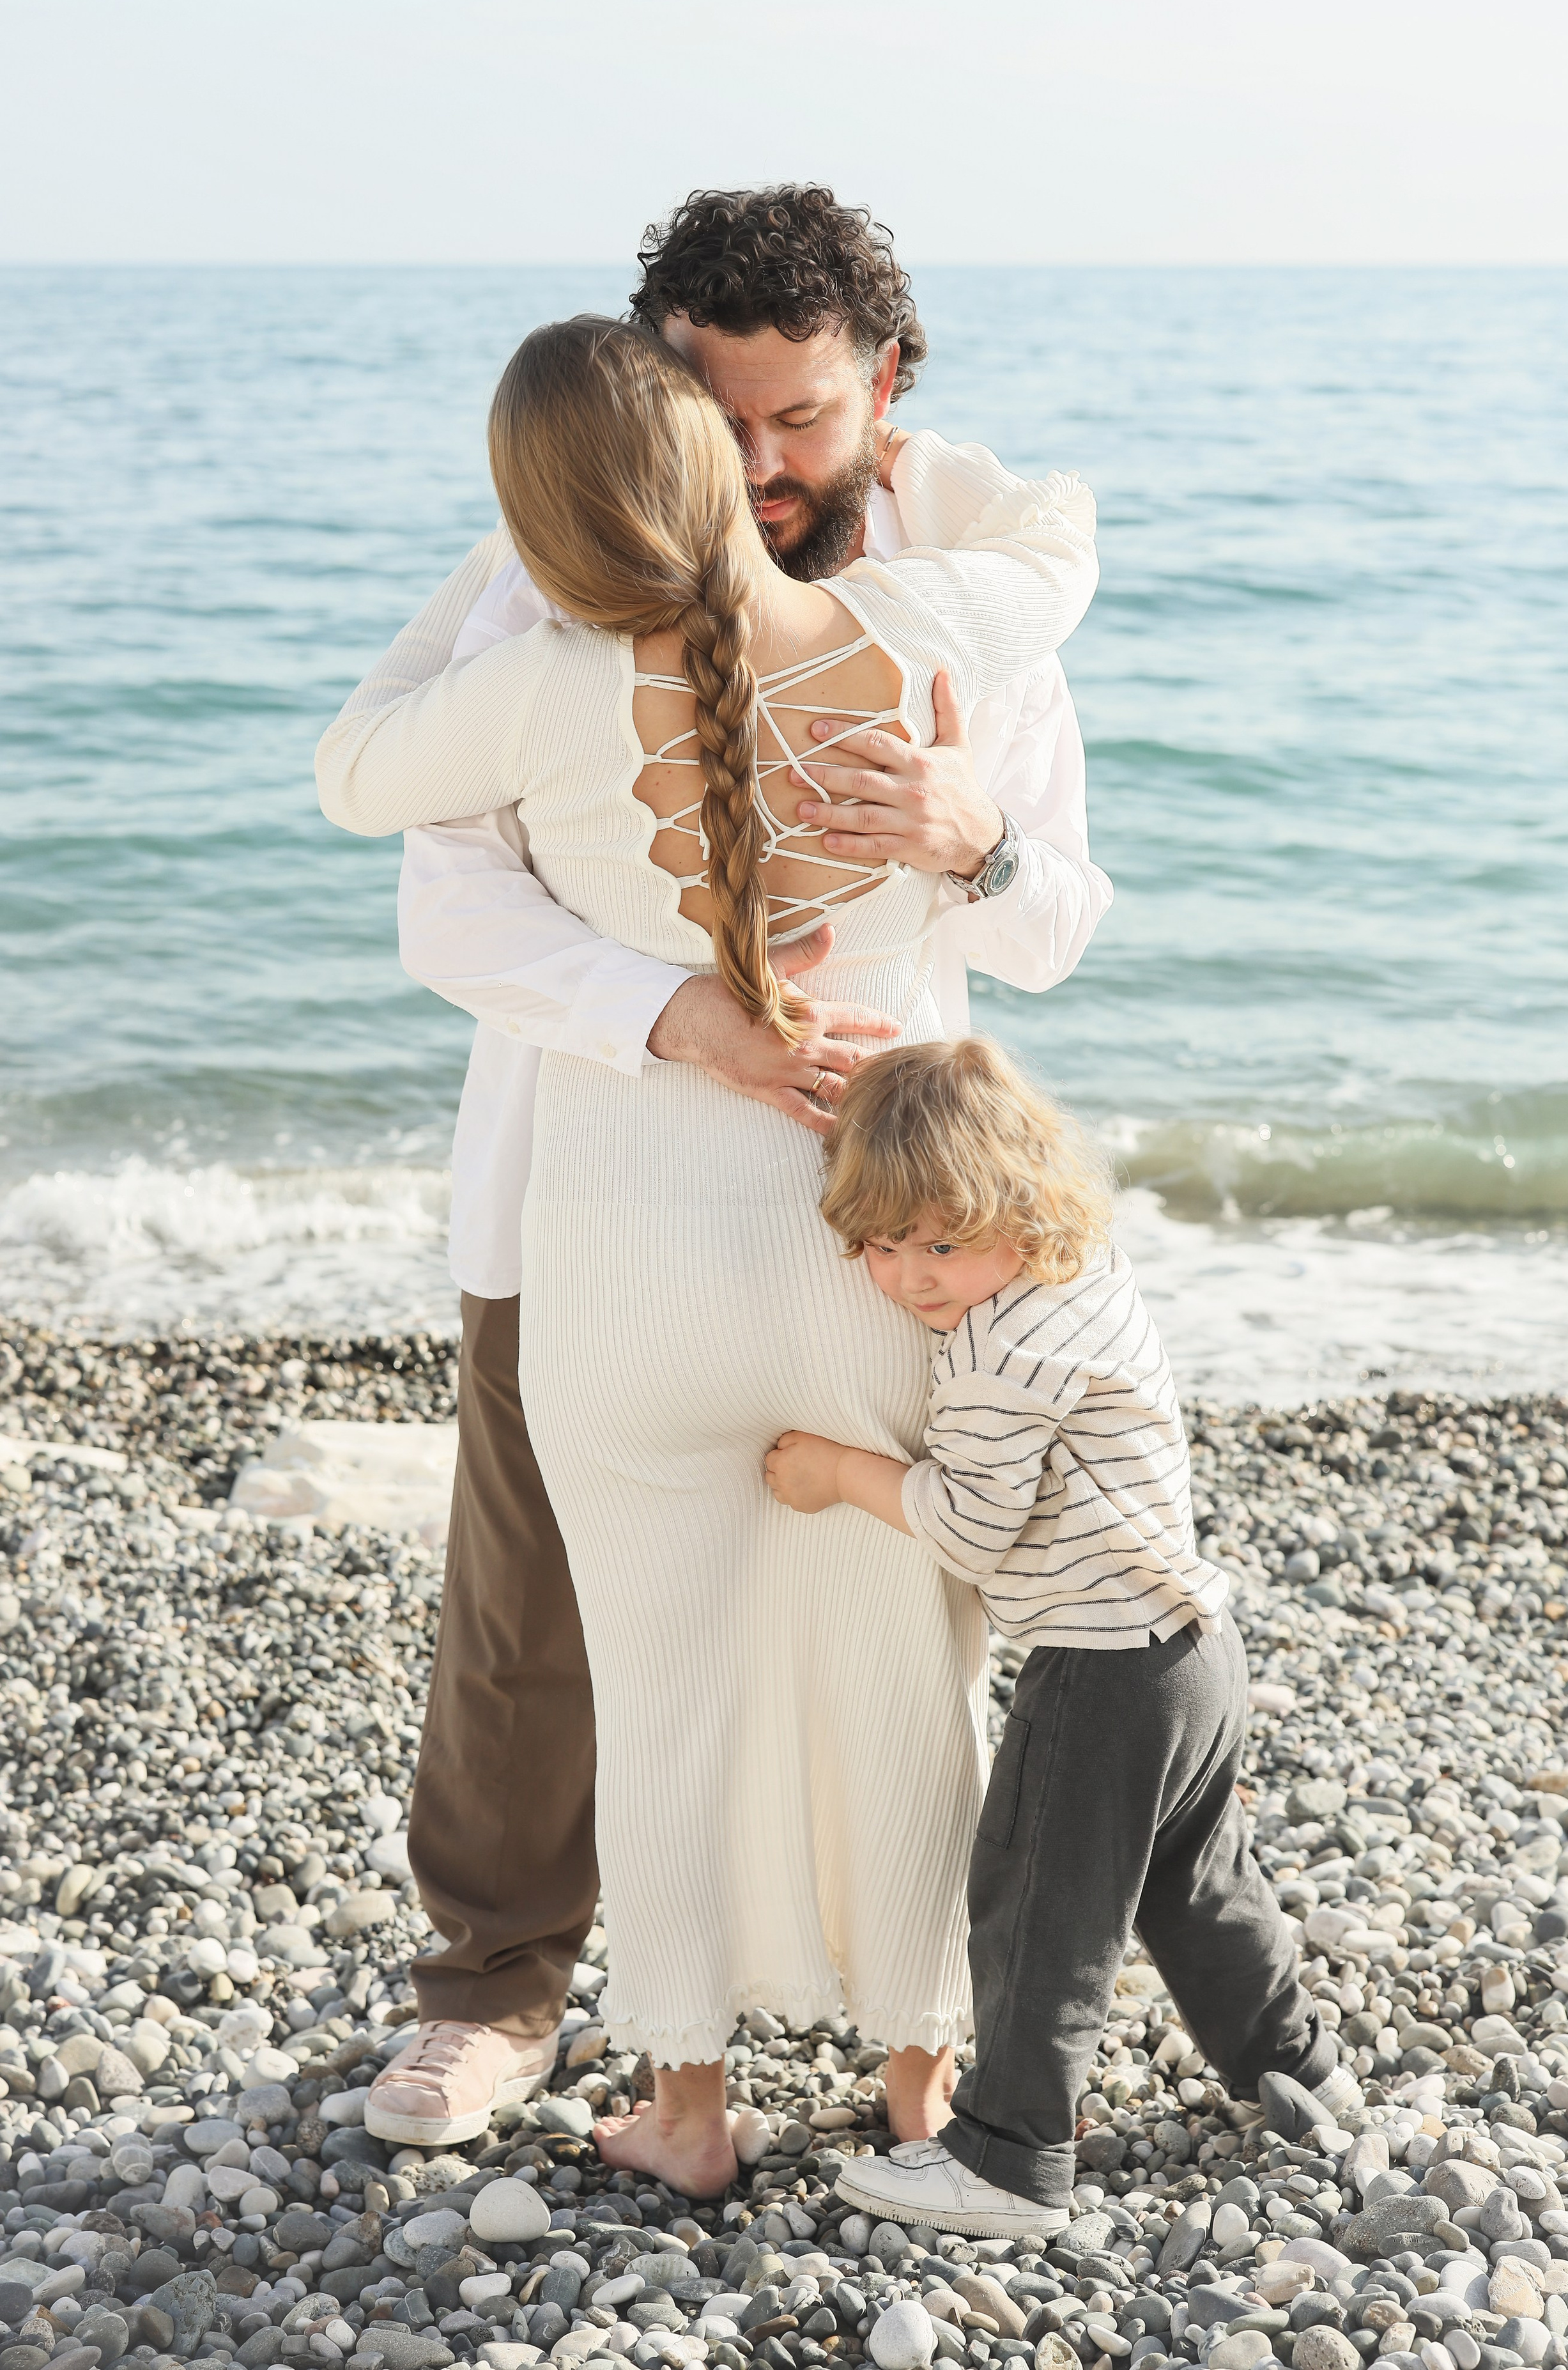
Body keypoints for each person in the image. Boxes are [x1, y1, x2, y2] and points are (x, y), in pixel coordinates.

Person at [350, 187, 1111, 2152]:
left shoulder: (952, 589)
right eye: (722, 416)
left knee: (865, 1616)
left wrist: (974, 841)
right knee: (533, 1612)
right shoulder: (560, 566)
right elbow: (450, 910)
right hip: (583, 1172)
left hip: (892, 1222)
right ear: (660, 389)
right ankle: (497, 1992)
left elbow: (1058, 927)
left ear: (888, 389)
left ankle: (778, 2063)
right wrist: (681, 1017)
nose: (761, 468)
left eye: (805, 422)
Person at [764, 1037, 1361, 2236]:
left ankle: (1008, 2158)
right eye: (879, 1247)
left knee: (1039, 1907)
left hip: (1098, 1665)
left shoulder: (1000, 1349)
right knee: (1194, 1885)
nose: (910, 1278)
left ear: (1014, 1208)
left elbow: (972, 1524)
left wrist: (839, 1469)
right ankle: (1299, 2076)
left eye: (940, 1242)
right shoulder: (1081, 1273)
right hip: (1194, 1653)